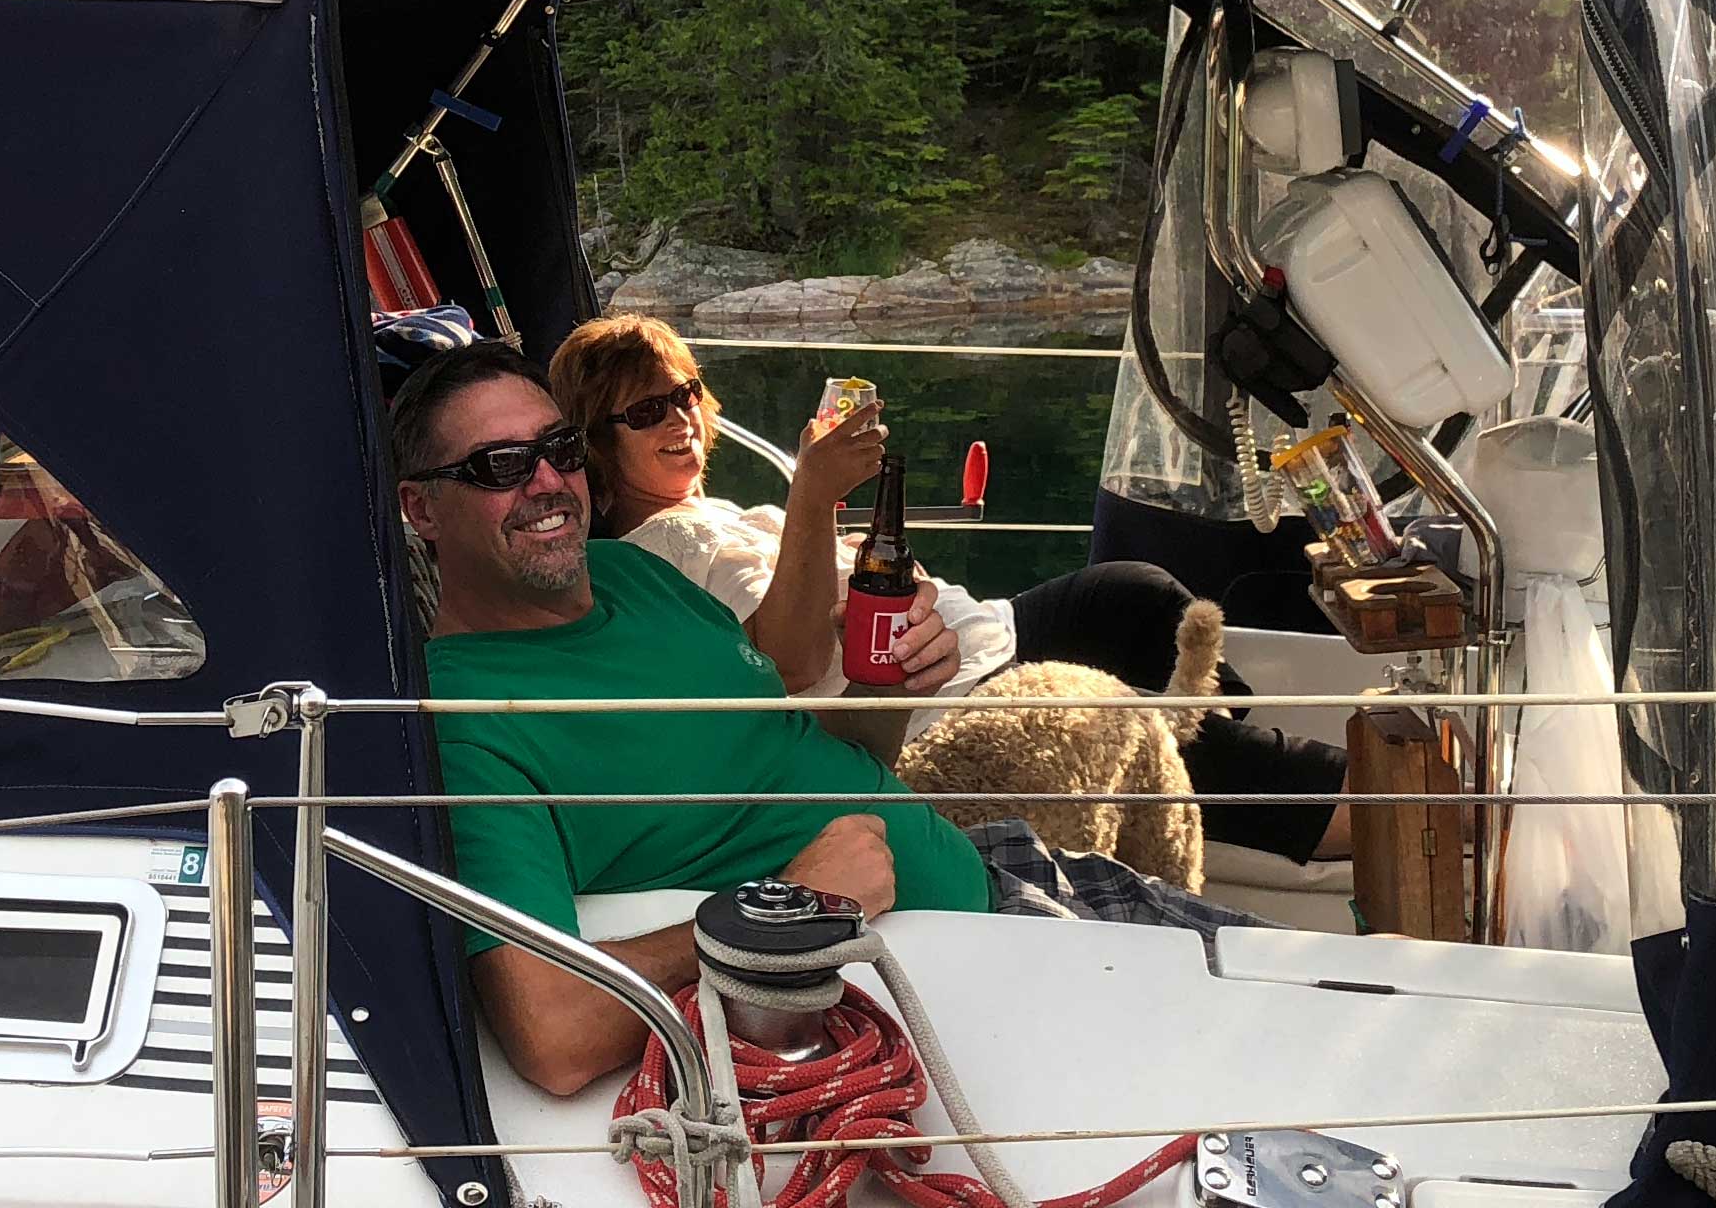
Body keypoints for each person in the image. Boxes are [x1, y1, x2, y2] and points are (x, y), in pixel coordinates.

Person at [392, 344, 1255, 1095]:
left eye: (558, 449)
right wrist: (795, 907)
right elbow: (553, 1033)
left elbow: (782, 746)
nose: (548, 483)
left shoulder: (633, 574)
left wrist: (892, 692)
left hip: (999, 867)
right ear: (420, 509)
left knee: (1299, 979)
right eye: (499, 466)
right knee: (1276, 1054)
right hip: (951, 971)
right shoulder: (464, 725)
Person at [548, 315, 1354, 865]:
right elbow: (786, 665)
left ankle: (1215, 763)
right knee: (1155, 721)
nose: (679, 419)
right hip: (948, 698)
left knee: (1131, 592)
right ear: (593, 446)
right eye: (645, 411)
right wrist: (814, 497)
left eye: (684, 393)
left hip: (983, 639)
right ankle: (1332, 807)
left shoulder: (712, 513)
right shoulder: (659, 549)